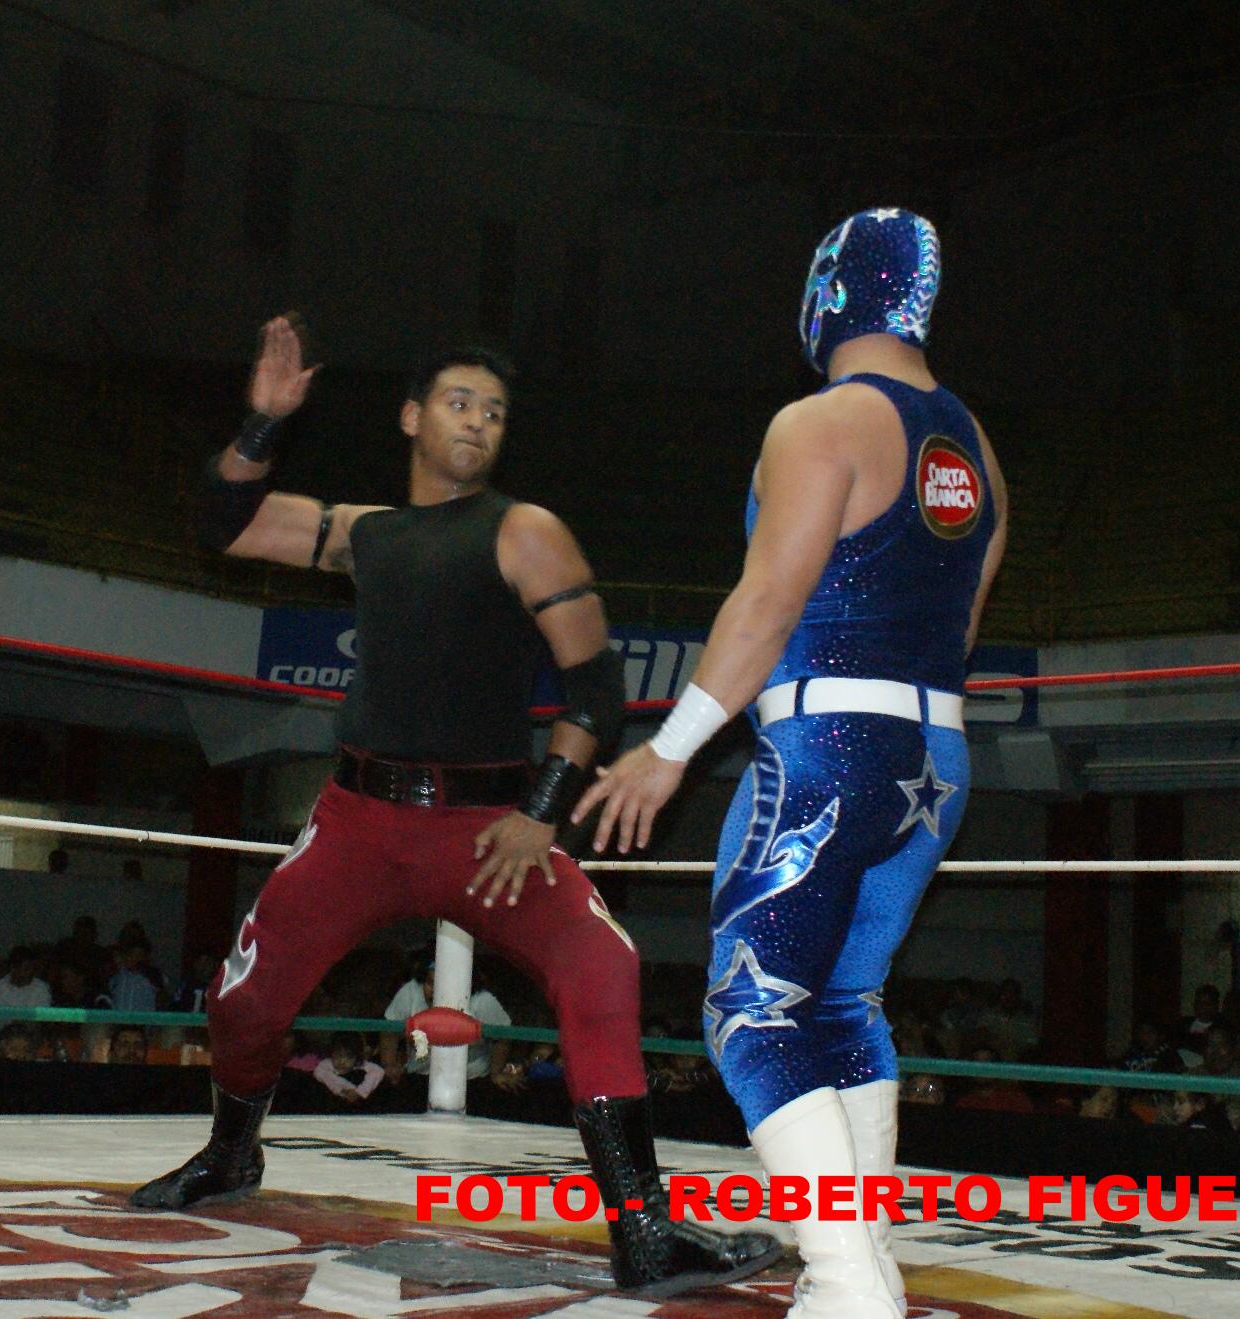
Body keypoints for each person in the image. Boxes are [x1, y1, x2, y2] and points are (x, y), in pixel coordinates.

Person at [129, 324, 777, 1295]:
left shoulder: (524, 531)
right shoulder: (368, 533)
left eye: (495, 411)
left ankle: (644, 1227)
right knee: (243, 998)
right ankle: (231, 1152)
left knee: (603, 964)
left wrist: (543, 810)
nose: (477, 421)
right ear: (412, 417)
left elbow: (595, 689)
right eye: (459, 402)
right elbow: (223, 521)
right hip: (358, 819)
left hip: (487, 830)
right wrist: (264, 420)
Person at [576, 208, 1005, 1319]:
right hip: (937, 754)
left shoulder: (822, 421)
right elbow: (960, 627)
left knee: (751, 1006)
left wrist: (669, 750)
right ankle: (869, 1263)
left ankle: (846, 1279)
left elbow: (768, 600)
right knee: (845, 999)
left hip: (830, 744)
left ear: (833, 289)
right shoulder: (974, 448)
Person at [378, 958, 514, 1086]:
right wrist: (389, 1065)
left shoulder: (483, 1000)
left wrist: (496, 1073)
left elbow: (503, 1035)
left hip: (472, 1078)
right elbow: (389, 1027)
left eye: (444, 987)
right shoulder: (411, 991)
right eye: (430, 983)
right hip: (421, 1075)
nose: (435, 991)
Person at [0, 946, 51, 1035]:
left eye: (32, 968)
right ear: (13, 968)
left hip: (31, 1038)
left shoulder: (42, 988)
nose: (30, 973)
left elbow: (42, 1020)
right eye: (26, 969)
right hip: (2, 1038)